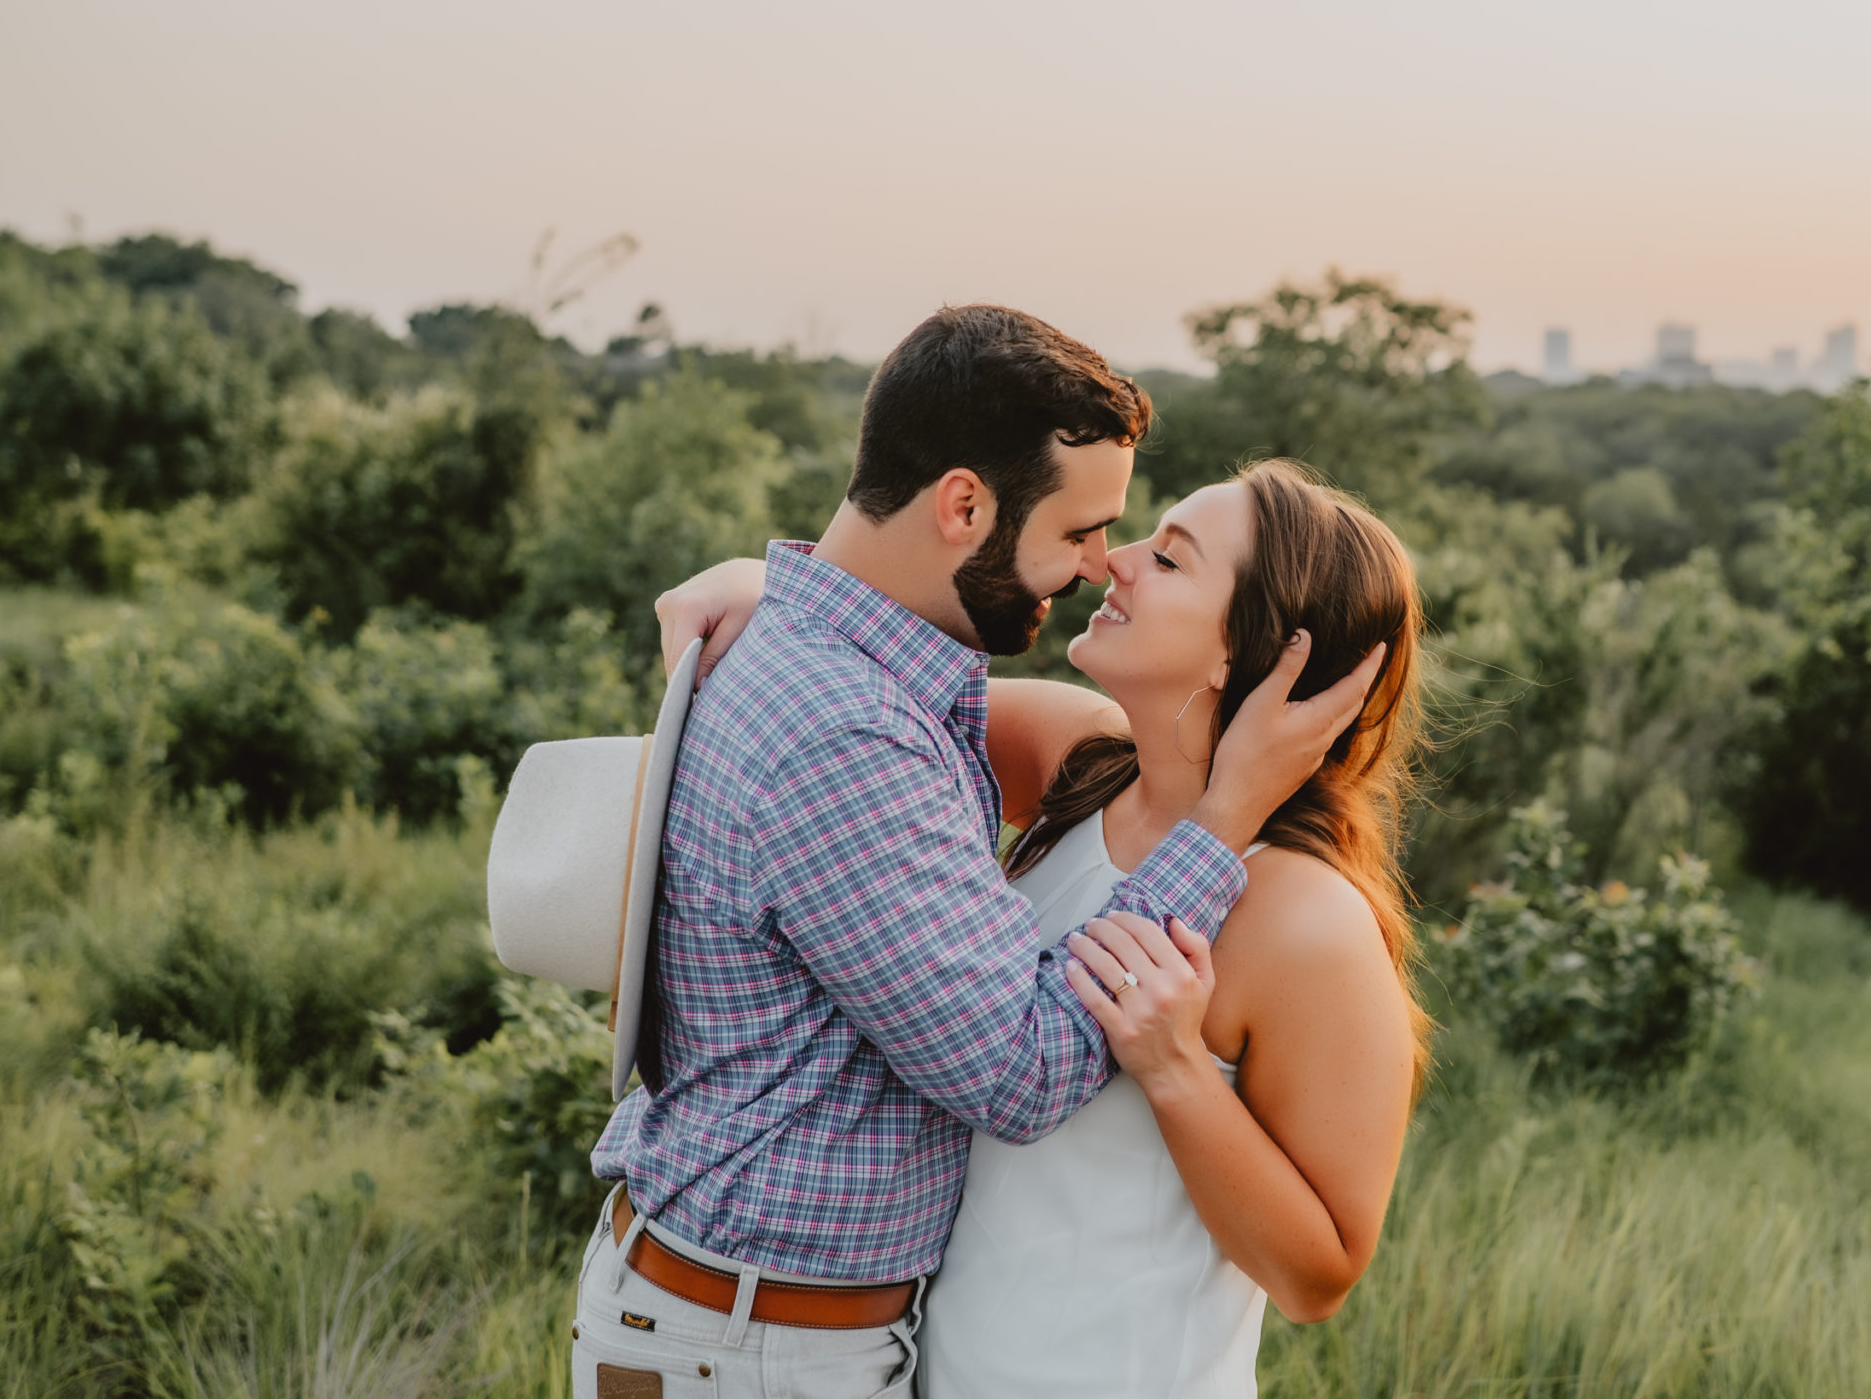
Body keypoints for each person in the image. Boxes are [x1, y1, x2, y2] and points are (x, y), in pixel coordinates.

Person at [573, 306, 1381, 1399]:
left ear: (1247, 650)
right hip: (763, 1341)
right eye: (1091, 528)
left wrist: (776, 584)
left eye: (1158, 550)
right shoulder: (996, 750)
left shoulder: (1284, 902)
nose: (1105, 564)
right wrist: (1226, 809)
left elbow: (1321, 1266)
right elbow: (1019, 1068)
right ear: (963, 503)